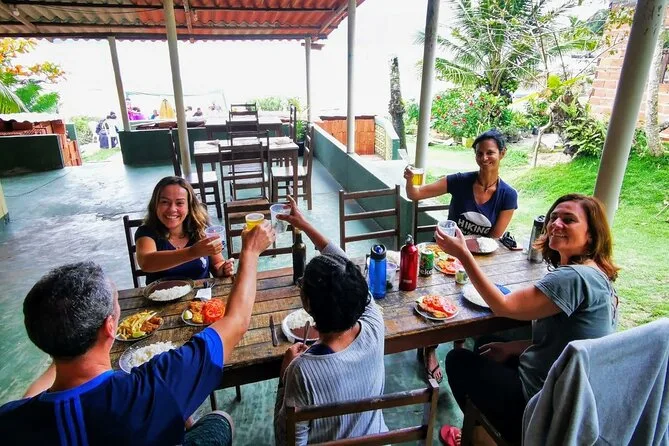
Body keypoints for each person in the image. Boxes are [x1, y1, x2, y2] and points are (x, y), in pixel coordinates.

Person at [0, 222, 276, 445]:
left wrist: (61, 341)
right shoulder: (155, 387)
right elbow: (236, 321)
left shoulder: (10, 422)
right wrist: (250, 252)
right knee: (219, 420)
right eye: (116, 301)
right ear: (110, 327)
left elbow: (28, 400)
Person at [435, 194, 619, 445]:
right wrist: (513, 347)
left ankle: (485, 437)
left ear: (591, 235)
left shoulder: (574, 278)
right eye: (554, 217)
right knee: (487, 346)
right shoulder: (597, 275)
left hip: (544, 407)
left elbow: (502, 305)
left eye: (569, 220)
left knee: (457, 361)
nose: (556, 224)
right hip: (568, 392)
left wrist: (463, 254)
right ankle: (479, 429)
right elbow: (564, 343)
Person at [403, 129, 518, 383]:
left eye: (490, 153)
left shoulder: (508, 195)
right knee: (435, 296)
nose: (484, 158)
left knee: (469, 301)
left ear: (502, 154)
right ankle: (430, 349)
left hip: (477, 258)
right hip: (444, 253)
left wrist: (464, 248)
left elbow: (495, 238)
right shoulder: (460, 181)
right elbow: (415, 194)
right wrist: (411, 180)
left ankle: (459, 344)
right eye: (480, 153)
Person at [274, 196, 387, 445]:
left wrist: (284, 378)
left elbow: (286, 441)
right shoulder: (374, 322)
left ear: (307, 303)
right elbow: (347, 268)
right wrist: (304, 224)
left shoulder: (301, 371)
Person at [136, 176, 234, 284]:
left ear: (189, 207)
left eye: (179, 203)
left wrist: (223, 269)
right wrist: (193, 252)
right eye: (165, 202)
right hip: (159, 294)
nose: (172, 209)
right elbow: (146, 262)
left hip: (201, 294)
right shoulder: (146, 232)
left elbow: (217, 264)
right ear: (155, 205)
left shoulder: (201, 228)